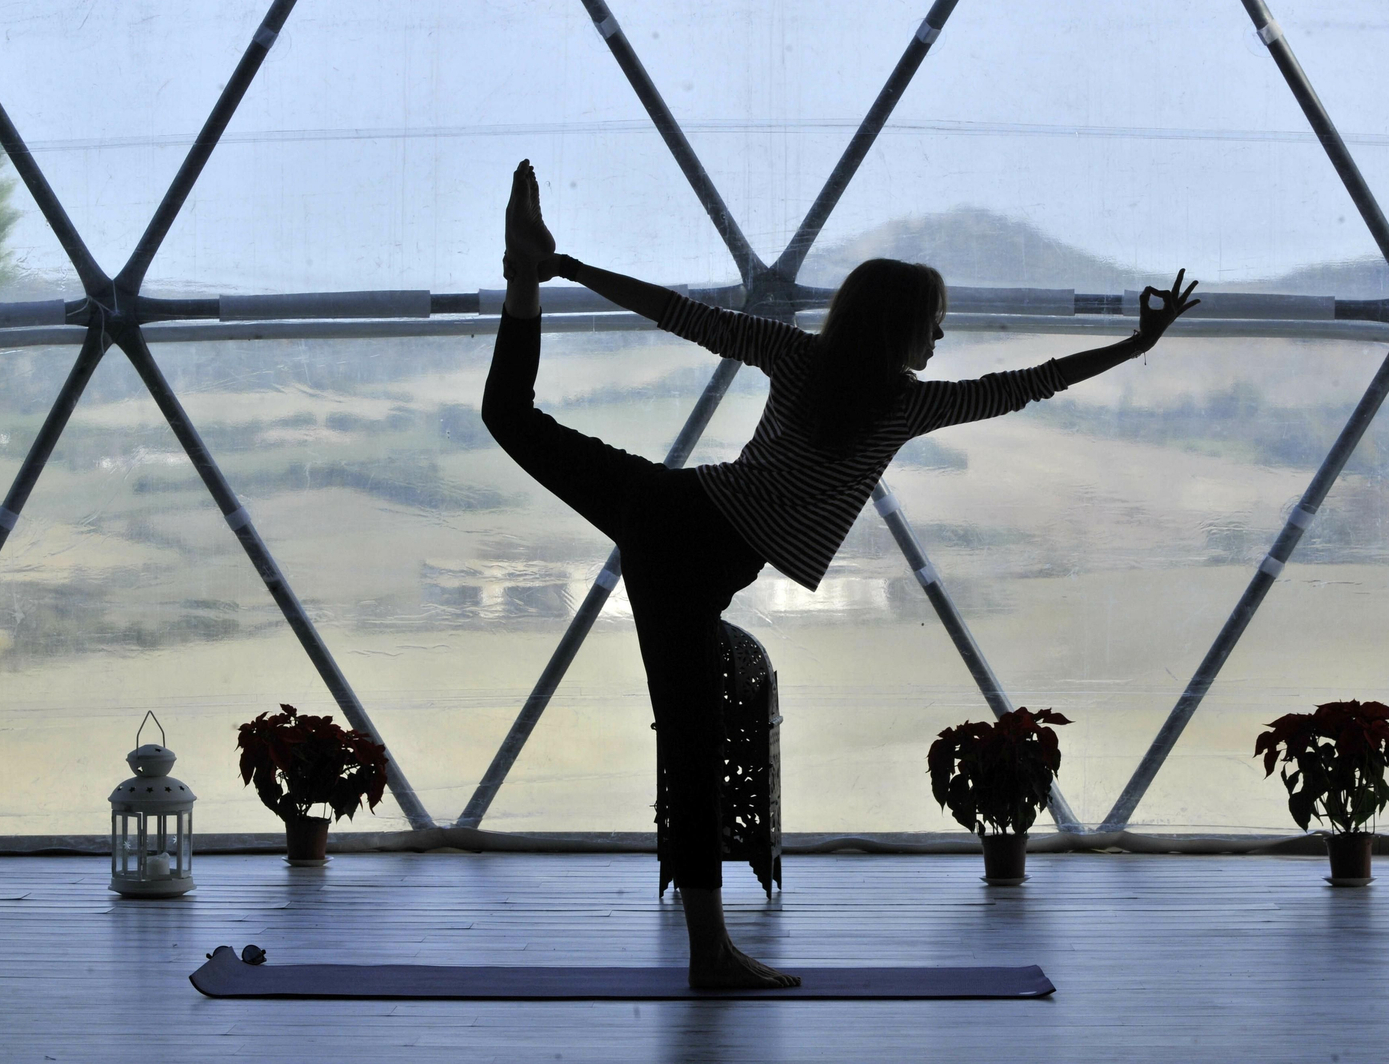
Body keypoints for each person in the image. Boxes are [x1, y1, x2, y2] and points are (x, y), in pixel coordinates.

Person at [484, 160, 1199, 989]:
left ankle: (522, 277)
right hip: (685, 544)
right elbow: (1026, 387)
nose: (940, 338)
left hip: (669, 512)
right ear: (898, 327)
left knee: (511, 419)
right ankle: (711, 955)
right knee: (693, 745)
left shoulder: (801, 358)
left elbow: (680, 315)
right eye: (933, 323)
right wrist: (1137, 345)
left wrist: (567, 269)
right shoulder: (901, 404)